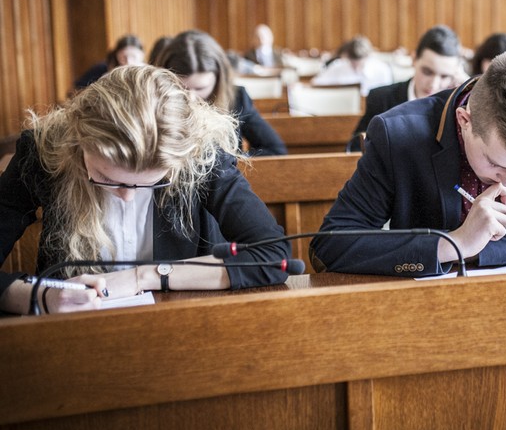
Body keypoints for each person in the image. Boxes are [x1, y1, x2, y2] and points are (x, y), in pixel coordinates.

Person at [0, 66, 290, 315]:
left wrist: (147, 276)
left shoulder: (200, 155)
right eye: (105, 177)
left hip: (184, 325)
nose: (127, 195)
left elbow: (275, 256)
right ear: (79, 143)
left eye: (150, 181)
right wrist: (41, 297)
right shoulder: (41, 153)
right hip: (71, 334)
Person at [310, 49, 506, 276]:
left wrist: (481, 247)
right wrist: (453, 244)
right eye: (496, 163)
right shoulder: (398, 135)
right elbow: (331, 246)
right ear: (465, 121)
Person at [151, 29, 287, 156]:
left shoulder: (236, 97)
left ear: (218, 80)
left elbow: (275, 149)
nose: (191, 98)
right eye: (181, 89)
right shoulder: (150, 103)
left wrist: (230, 165)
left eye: (200, 89)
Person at [347, 25, 464, 152]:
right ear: (413, 59)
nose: (434, 84)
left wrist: (467, 85)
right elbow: (354, 151)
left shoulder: (458, 108)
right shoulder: (380, 98)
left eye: (444, 76)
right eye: (427, 72)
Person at [311, 35, 393, 96]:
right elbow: (316, 83)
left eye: (359, 62)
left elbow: (386, 94)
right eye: (352, 62)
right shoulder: (338, 66)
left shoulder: (381, 69)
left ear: (367, 57)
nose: (356, 65)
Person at [73, 34, 145, 90]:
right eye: (124, 57)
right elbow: (79, 86)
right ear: (117, 55)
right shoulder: (105, 72)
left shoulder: (147, 73)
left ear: (142, 55)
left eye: (133, 57)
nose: (128, 61)